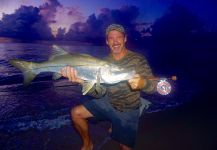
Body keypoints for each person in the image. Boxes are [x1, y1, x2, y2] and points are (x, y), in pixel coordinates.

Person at [60, 24, 156, 150]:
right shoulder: (104, 61)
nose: (115, 41)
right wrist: (81, 81)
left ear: (125, 39)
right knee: (76, 113)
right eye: (111, 38)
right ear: (107, 41)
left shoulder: (138, 59)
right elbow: (99, 93)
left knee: (125, 147)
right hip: (108, 102)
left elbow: (153, 87)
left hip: (128, 108)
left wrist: (142, 84)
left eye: (119, 37)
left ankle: (136, 110)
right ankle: (88, 144)